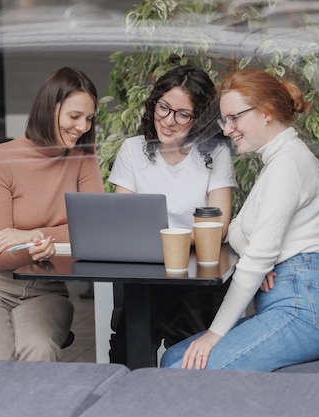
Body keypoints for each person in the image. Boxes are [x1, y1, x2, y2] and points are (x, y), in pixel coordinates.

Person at [160, 68, 319, 372]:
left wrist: (213, 335)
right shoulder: (276, 163)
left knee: (181, 369)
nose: (228, 129)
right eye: (225, 120)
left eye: (235, 118)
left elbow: (256, 260)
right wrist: (256, 254)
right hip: (289, 303)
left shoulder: (287, 164)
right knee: (172, 359)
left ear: (267, 113)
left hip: (304, 311)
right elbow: (234, 230)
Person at [0, 67, 104, 361]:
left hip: (47, 289)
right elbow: (2, 254)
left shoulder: (83, 159)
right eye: (75, 116)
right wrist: (52, 234)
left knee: (38, 349)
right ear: (49, 108)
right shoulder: (1, 158)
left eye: (89, 118)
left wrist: (25, 236)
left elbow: (94, 232)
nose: (83, 126)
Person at [107, 64, 237, 363]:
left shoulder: (215, 153)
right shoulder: (132, 150)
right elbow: (124, 221)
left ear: (199, 119)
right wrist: (183, 238)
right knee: (128, 352)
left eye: (182, 114)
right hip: (147, 272)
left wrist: (168, 242)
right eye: (163, 108)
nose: (168, 120)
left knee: (191, 358)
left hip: (199, 273)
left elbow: (219, 227)